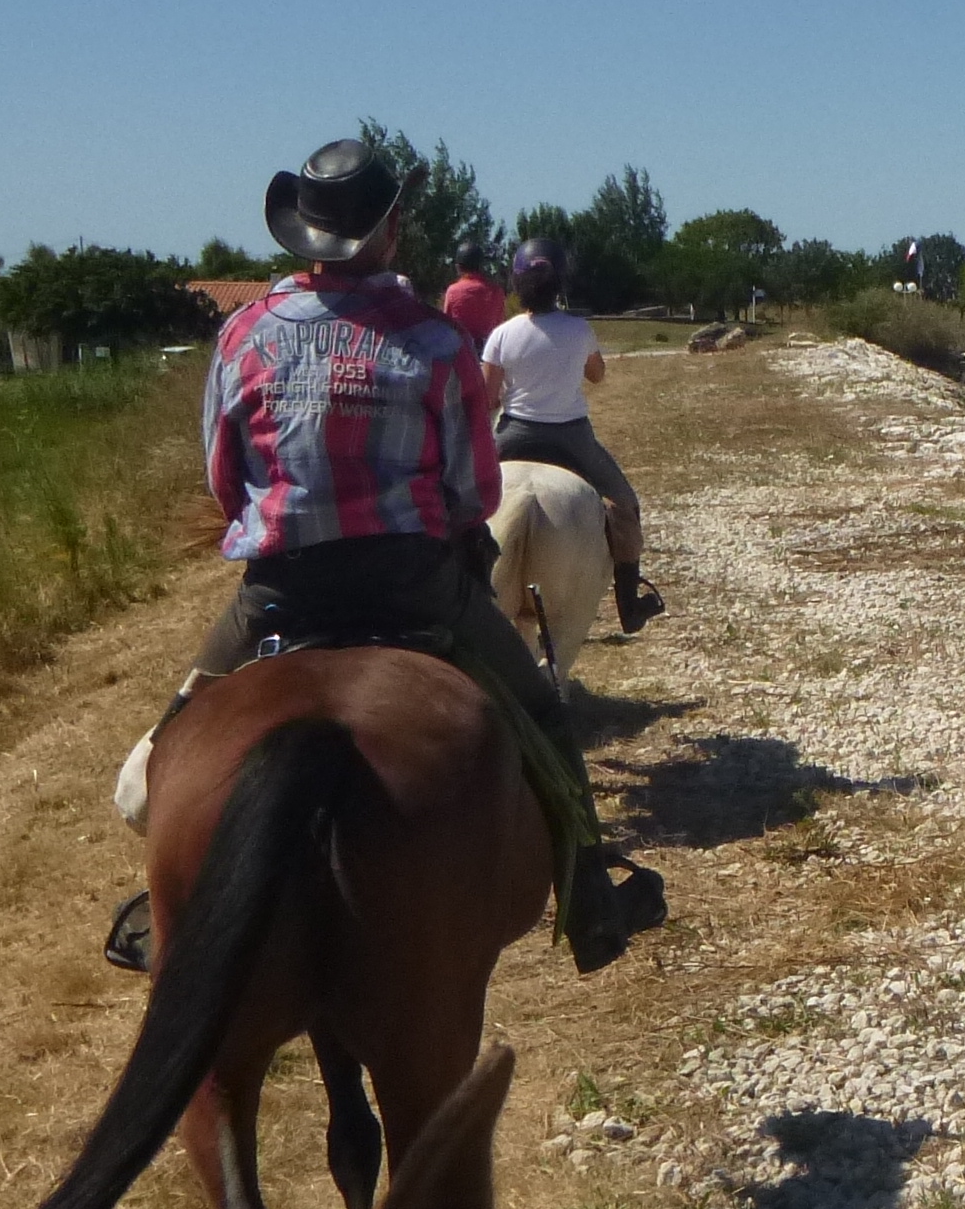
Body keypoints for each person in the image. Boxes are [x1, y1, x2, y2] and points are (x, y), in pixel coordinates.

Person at [106, 138, 617, 965]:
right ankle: (592, 898)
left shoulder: (243, 335)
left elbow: (224, 480)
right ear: (392, 229)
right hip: (414, 587)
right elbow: (474, 495)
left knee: (162, 759)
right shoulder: (437, 341)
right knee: (543, 713)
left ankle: (165, 907)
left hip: (281, 592)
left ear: (301, 232)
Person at [486, 237, 664, 635]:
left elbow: (487, 396)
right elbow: (597, 375)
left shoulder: (503, 334)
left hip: (514, 433)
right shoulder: (579, 330)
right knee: (625, 504)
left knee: (456, 498)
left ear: (517, 284)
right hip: (571, 438)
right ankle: (629, 604)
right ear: (560, 283)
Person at [438, 237, 507, 349]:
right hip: (490, 350)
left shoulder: (453, 291)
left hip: (463, 352)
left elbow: (447, 327)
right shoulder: (497, 292)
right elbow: (500, 326)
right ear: (481, 265)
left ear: (458, 267)